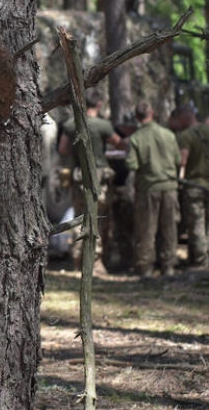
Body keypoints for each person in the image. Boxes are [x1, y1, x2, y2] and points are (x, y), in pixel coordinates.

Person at [56, 89, 125, 271]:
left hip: (80, 176)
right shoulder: (103, 125)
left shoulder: (71, 124)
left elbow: (63, 149)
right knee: (98, 218)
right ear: (99, 104)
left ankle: (78, 259)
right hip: (99, 177)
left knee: (80, 217)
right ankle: (95, 262)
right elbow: (119, 143)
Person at [125, 101, 181, 277]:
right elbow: (178, 159)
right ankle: (169, 266)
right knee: (169, 228)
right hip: (170, 187)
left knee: (147, 229)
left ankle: (146, 268)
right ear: (153, 113)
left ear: (136, 117)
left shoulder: (136, 138)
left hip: (148, 188)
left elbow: (131, 164)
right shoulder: (169, 135)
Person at [174, 104, 209, 269]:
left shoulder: (186, 136)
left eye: (179, 118)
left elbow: (182, 161)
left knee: (197, 227)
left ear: (185, 116)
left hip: (194, 186)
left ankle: (202, 263)